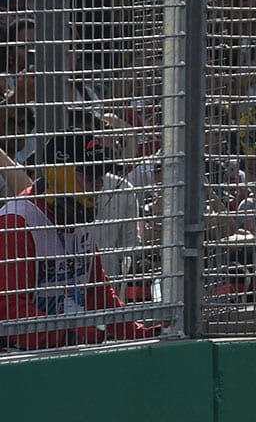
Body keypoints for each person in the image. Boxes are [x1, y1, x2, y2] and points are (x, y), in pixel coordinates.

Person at [0, 131, 161, 349]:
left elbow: (97, 290)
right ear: (60, 175)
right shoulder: (17, 222)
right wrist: (71, 335)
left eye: (101, 176)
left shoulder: (79, 213)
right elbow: (7, 308)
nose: (100, 185)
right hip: (17, 356)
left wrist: (136, 333)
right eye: (90, 177)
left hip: (64, 348)